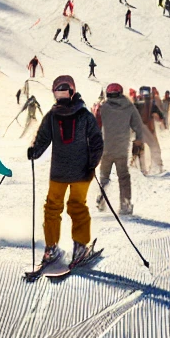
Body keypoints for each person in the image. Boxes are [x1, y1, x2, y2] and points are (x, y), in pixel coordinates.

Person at [28, 76, 104, 270]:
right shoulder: (53, 116)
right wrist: (35, 150)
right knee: (53, 208)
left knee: (75, 207)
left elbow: (96, 141)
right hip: (61, 172)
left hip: (80, 171)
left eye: (64, 93)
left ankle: (79, 247)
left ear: (72, 92)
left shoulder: (84, 115)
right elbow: (43, 138)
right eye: (58, 93)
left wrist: (92, 163)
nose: (61, 97)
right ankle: (52, 247)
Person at [95, 84, 144, 214]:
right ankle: (125, 204)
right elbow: (138, 125)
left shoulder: (103, 107)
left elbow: (95, 124)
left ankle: (102, 198)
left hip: (106, 148)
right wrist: (138, 140)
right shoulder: (129, 107)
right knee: (123, 177)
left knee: (104, 175)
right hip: (121, 149)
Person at [134, 87, 166, 174]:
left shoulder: (136, 103)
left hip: (139, 130)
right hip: (149, 130)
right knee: (154, 147)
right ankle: (157, 167)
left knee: (140, 149)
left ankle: (142, 169)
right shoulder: (150, 104)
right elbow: (160, 115)